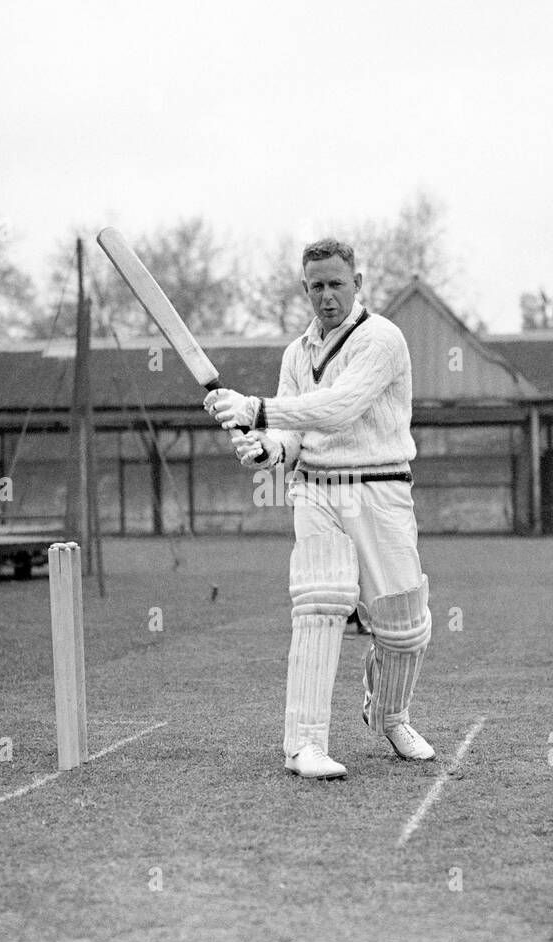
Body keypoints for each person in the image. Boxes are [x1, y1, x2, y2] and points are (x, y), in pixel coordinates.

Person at [205, 238, 435, 779]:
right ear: (304, 288)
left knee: (403, 626)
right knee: (319, 605)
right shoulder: (295, 354)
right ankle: (304, 744)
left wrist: (257, 410)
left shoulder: (382, 338)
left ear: (358, 283)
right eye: (316, 286)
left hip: (380, 488)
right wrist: (268, 448)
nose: (326, 296)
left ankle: (390, 714)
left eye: (336, 283)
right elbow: (294, 434)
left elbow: (339, 408)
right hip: (315, 490)